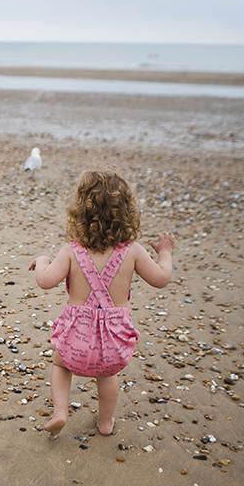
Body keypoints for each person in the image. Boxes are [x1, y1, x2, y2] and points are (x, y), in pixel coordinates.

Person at [29, 171, 175, 436]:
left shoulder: (71, 250)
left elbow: (45, 281)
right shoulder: (133, 251)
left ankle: (61, 411)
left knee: (61, 365)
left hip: (75, 338)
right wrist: (165, 252)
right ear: (126, 212)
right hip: (112, 341)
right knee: (107, 376)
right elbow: (162, 278)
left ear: (79, 212)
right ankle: (105, 422)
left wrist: (42, 260)